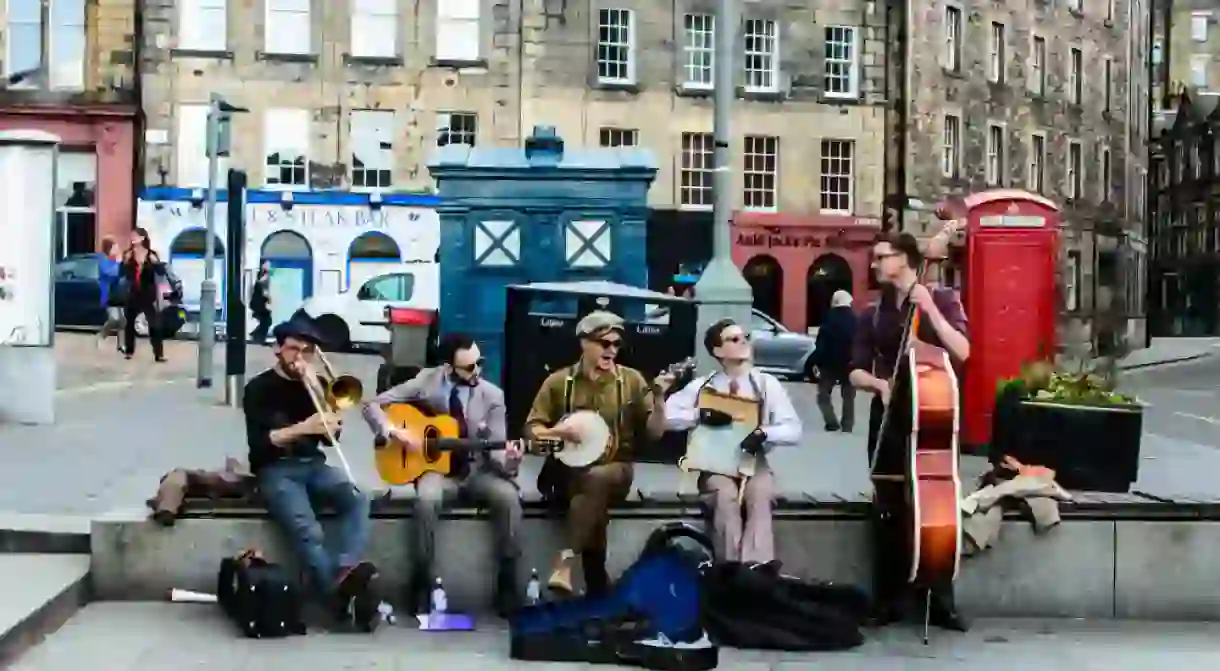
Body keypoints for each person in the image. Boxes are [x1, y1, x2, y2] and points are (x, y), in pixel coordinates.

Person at [847, 229, 970, 632]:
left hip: (932, 413)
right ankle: (889, 598)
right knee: (887, 508)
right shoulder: (873, 312)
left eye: (882, 256)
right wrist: (878, 384)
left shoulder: (943, 298)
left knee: (935, 505)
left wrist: (930, 309)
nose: (875, 263)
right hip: (888, 418)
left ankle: (940, 597)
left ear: (905, 259)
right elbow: (855, 370)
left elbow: (963, 350)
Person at [361, 333, 525, 616]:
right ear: (448, 368)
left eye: (480, 363)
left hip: (478, 470)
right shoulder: (428, 380)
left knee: (509, 497)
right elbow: (372, 405)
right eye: (470, 367)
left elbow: (499, 456)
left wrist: (511, 461)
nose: (478, 371)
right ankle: (422, 580)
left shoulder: (493, 396)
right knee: (426, 499)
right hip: (436, 469)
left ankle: (507, 581)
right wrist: (393, 431)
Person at [523, 311, 671, 596]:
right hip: (566, 473)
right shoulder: (559, 382)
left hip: (616, 468)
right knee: (591, 501)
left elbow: (654, 433)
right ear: (584, 343)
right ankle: (596, 586)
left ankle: (566, 558)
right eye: (604, 343)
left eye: (616, 344)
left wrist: (660, 399)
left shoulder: (632, 381)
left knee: (597, 479)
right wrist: (559, 433)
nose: (612, 350)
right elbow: (532, 429)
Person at [242, 317, 378, 626]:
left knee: (358, 498)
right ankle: (338, 595)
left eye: (307, 351)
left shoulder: (313, 387)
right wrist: (303, 427)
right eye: (293, 349)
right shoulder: (258, 388)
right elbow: (262, 442)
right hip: (276, 470)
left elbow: (331, 439)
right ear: (278, 349)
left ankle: (344, 570)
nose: (299, 358)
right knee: (309, 531)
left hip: (313, 465)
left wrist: (326, 405)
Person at [663, 319, 802, 563]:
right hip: (716, 467)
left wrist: (764, 433)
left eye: (745, 337)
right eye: (734, 339)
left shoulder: (767, 385)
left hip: (753, 464)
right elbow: (666, 415)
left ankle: (755, 570)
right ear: (718, 351)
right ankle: (729, 569)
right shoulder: (703, 386)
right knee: (724, 498)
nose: (743, 342)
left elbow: (793, 429)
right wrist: (699, 415)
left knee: (760, 496)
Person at [814, 290, 858, 432]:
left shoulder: (829, 318)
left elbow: (821, 343)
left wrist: (817, 362)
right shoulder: (855, 319)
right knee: (848, 396)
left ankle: (831, 422)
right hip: (850, 363)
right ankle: (847, 424)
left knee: (823, 394)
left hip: (829, 363)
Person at [119, 227, 166, 362]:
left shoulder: (151, 254)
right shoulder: (128, 254)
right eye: (131, 236)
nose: (132, 238)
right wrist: (125, 262)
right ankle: (129, 351)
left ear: (142, 238)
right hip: (133, 293)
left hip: (148, 294)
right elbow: (122, 274)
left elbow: (161, 273)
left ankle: (159, 353)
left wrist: (156, 262)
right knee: (129, 323)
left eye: (135, 236)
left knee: (154, 324)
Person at [96, 238, 125, 352]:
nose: (117, 249)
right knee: (114, 318)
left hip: (119, 293)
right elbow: (112, 273)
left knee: (122, 320)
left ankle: (121, 345)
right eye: (115, 247)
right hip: (108, 294)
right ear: (109, 249)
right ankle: (101, 336)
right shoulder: (104, 261)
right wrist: (119, 263)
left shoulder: (118, 262)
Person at [250, 260, 273, 343]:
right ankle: (258, 337)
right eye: (268, 265)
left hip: (258, 303)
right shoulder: (264, 277)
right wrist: (269, 299)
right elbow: (264, 291)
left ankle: (257, 335)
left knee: (266, 321)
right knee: (267, 321)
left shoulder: (262, 276)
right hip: (260, 304)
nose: (269, 267)